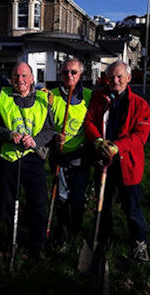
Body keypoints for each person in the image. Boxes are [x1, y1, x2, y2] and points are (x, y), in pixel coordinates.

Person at [84, 60, 150, 262]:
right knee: (103, 204)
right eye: (112, 76)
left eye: (120, 76)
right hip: (104, 161)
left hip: (127, 164)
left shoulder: (140, 105)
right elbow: (88, 122)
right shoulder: (98, 99)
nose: (115, 80)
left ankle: (139, 242)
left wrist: (117, 146)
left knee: (132, 206)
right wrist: (97, 140)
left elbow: (140, 135)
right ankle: (105, 238)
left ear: (129, 78)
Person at [0, 62, 55, 257]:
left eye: (24, 76)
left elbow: (49, 130)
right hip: (9, 158)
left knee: (37, 201)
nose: (20, 80)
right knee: (8, 203)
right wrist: (9, 134)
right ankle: (13, 240)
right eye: (16, 76)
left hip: (32, 158)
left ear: (32, 79)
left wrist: (35, 141)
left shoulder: (43, 99)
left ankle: (38, 243)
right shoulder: (1, 97)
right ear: (11, 79)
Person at [49, 59, 92, 240]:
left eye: (73, 72)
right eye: (65, 72)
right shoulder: (52, 96)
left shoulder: (89, 96)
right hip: (59, 155)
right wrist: (54, 136)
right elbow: (44, 125)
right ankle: (63, 228)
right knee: (61, 196)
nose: (69, 76)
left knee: (78, 196)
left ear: (80, 74)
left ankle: (77, 229)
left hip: (81, 156)